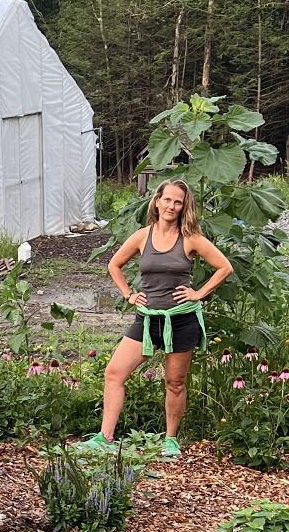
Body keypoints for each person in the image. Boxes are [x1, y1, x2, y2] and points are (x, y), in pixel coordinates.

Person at [82, 177, 232, 458]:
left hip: (180, 321)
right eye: (168, 199)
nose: (172, 206)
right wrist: (129, 294)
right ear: (157, 201)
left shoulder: (191, 238)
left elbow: (224, 267)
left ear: (184, 206)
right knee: (114, 373)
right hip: (147, 320)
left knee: (175, 382)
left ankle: (170, 440)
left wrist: (199, 293)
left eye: (178, 201)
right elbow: (114, 264)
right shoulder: (142, 236)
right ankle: (105, 437)